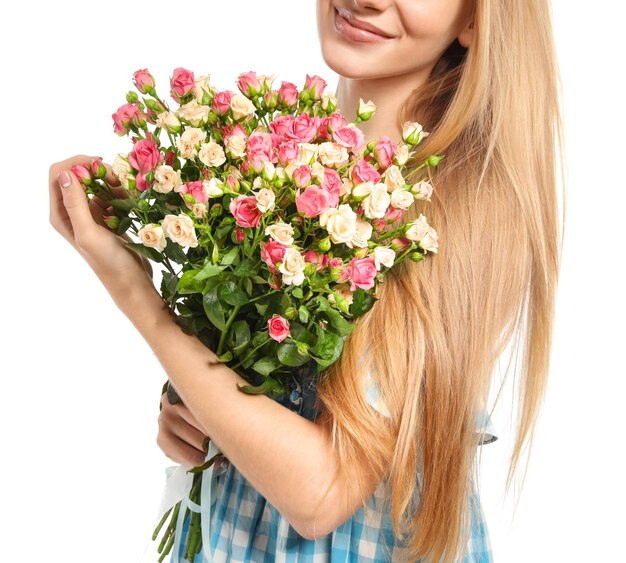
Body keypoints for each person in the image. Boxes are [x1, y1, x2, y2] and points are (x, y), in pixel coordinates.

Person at [48, 0, 563, 560]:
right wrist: (203, 410)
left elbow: (320, 493)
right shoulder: (285, 166)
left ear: (474, 19)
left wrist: (136, 293)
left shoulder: (458, 211)